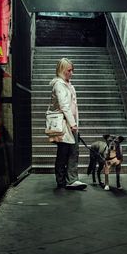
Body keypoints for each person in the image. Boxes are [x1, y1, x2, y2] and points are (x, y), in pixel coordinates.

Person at [49, 58, 87, 190]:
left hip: (71, 124)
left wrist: (75, 123)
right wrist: (72, 124)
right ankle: (61, 180)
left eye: (72, 70)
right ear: (62, 70)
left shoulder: (69, 84)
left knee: (73, 152)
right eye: (69, 70)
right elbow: (64, 106)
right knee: (64, 152)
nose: (72, 73)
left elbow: (73, 107)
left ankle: (72, 180)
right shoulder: (59, 84)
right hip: (65, 125)